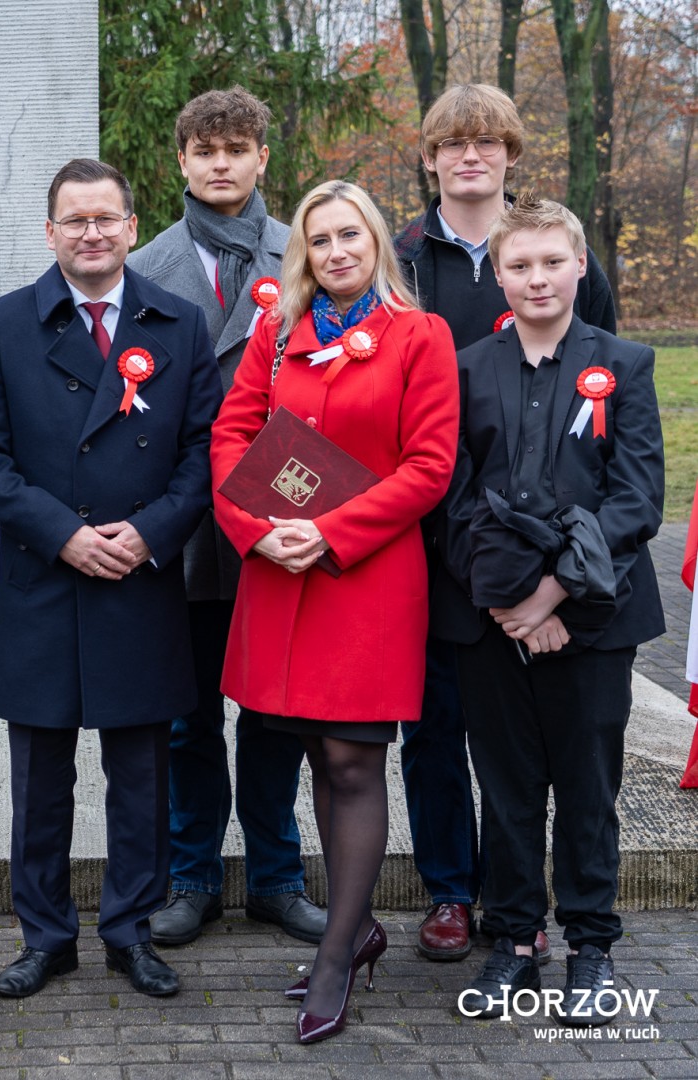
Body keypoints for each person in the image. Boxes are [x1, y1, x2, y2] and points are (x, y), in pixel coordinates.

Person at [0, 158, 220, 1000]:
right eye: (75, 220)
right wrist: (63, 535)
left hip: (140, 581)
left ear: (132, 227)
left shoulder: (178, 324)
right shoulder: (0, 326)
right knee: (39, 785)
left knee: (141, 782)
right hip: (44, 581)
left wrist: (149, 533)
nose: (92, 233)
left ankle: (130, 932)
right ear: (50, 232)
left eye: (106, 218)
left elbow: (205, 452)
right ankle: (46, 938)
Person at [210, 180, 458, 1043]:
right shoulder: (277, 334)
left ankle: (335, 954)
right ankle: (356, 930)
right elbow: (231, 436)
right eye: (319, 240)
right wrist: (257, 532)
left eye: (350, 235)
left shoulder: (419, 335)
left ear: (377, 241)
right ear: (303, 254)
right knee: (318, 752)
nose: (337, 251)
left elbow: (430, 465)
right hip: (284, 573)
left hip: (366, 576)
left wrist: (329, 531)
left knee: (353, 762)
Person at [394, 83, 616, 964]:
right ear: (430, 157)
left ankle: (521, 903)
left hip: (547, 552)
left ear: (511, 155)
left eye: (487, 141)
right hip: (434, 534)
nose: (470, 155)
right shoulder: (401, 260)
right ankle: (452, 893)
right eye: (452, 143)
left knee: (527, 743)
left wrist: (553, 571)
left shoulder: (552, 253)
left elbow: (600, 396)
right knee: (435, 727)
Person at [439, 196, 662, 1026]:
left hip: (594, 618)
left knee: (587, 785)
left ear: (579, 266)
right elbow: (453, 498)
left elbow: (635, 499)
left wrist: (553, 593)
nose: (537, 279)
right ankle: (513, 935)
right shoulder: (465, 369)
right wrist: (509, 602)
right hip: (492, 622)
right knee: (506, 785)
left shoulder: (625, 365)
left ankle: (591, 944)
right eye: (520, 265)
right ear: (498, 275)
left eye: (552, 262)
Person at [127, 86, 324, 948]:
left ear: (261, 159)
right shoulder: (145, 266)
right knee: (188, 715)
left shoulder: (310, 252)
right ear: (181, 160)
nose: (220, 164)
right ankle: (193, 877)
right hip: (184, 521)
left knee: (277, 710)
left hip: (283, 518)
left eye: (236, 150)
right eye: (204, 151)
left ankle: (277, 878)